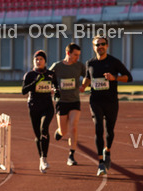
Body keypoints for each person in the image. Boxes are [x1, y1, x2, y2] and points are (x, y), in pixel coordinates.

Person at [84, 36, 132, 175]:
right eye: (97, 44)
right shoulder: (90, 63)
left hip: (111, 101)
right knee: (98, 128)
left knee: (109, 131)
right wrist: (81, 87)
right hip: (95, 100)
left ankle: (107, 151)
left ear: (107, 46)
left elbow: (129, 77)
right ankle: (100, 163)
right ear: (93, 47)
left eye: (103, 44)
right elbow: (88, 78)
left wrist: (114, 78)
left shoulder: (114, 62)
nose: (100, 46)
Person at [50, 43, 86, 166]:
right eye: (75, 55)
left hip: (75, 101)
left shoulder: (79, 66)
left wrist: (84, 85)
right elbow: (47, 77)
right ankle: (59, 132)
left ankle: (71, 155)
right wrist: (51, 88)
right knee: (64, 131)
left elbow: (88, 75)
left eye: (78, 55)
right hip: (62, 102)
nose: (77, 57)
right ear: (68, 53)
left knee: (74, 127)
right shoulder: (57, 66)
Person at [21, 50, 57, 173]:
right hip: (33, 107)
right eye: (36, 59)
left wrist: (56, 91)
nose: (38, 61)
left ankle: (44, 158)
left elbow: (57, 87)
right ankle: (41, 158)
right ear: (34, 61)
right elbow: (24, 91)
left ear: (45, 61)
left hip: (47, 107)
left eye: (41, 59)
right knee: (38, 136)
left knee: (44, 129)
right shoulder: (29, 75)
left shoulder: (51, 74)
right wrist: (35, 82)